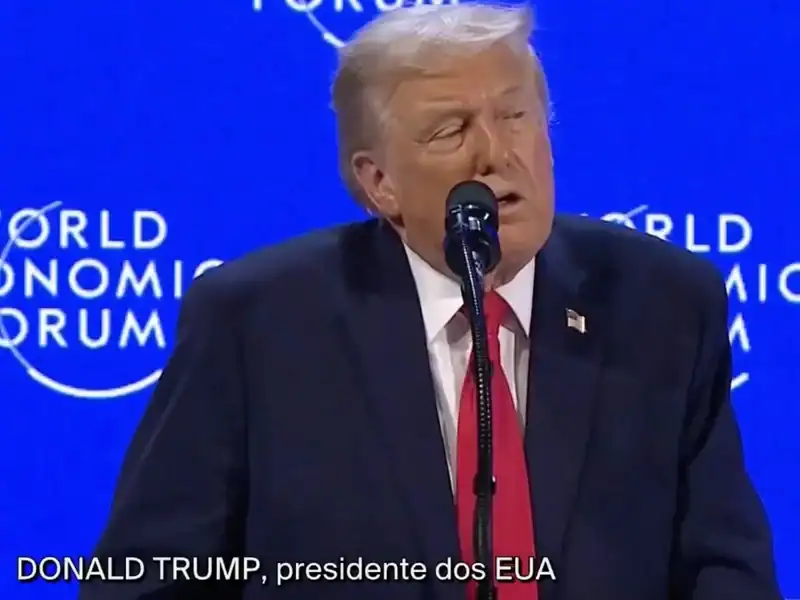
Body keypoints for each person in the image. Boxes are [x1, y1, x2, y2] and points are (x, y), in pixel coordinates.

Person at [79, 4, 782, 600]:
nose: (496, 154)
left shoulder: (661, 302)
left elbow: (724, 570)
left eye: (516, 116)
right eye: (450, 131)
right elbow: (145, 579)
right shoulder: (259, 322)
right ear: (379, 183)